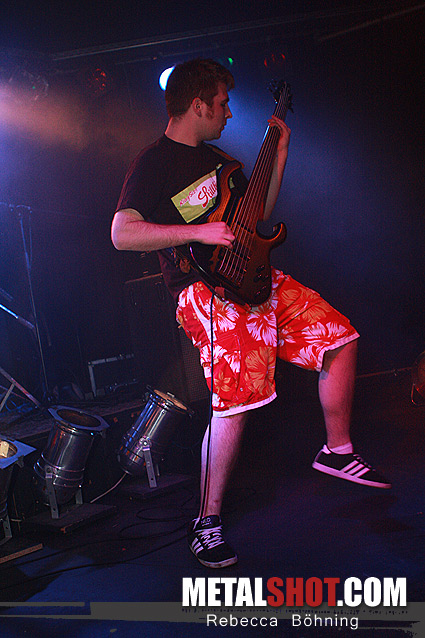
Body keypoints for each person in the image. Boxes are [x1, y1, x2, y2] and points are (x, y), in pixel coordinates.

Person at [111, 58, 391, 569]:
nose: (228, 112)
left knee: (339, 337)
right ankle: (207, 522)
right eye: (222, 103)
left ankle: (337, 450)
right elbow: (122, 233)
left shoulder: (222, 161)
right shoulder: (153, 163)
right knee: (235, 402)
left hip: (257, 277)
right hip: (205, 291)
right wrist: (197, 231)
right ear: (198, 104)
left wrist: (279, 154)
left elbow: (257, 216)